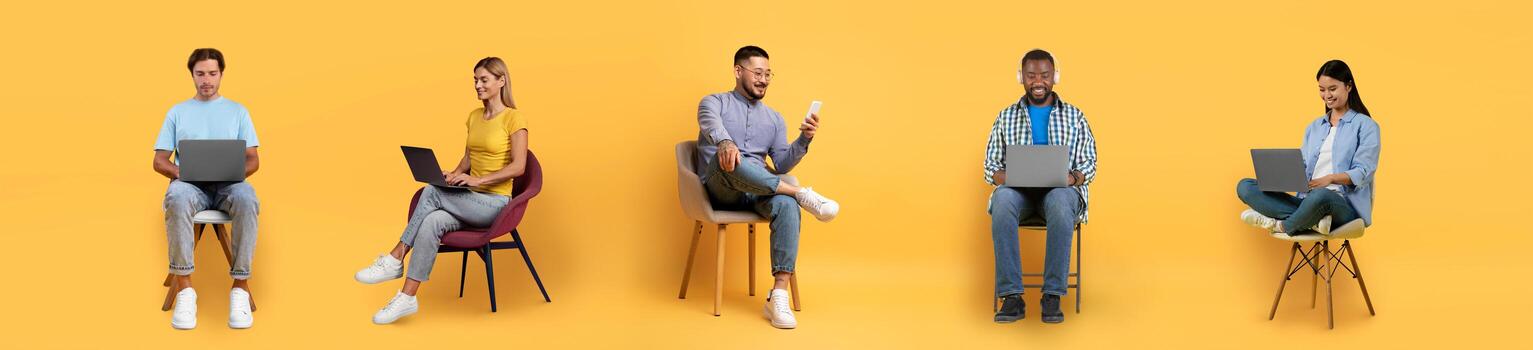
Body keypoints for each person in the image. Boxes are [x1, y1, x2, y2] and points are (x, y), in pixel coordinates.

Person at [354, 57, 530, 325]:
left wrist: (478, 182)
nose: (478, 85)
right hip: (471, 201)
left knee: (432, 192)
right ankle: (407, 297)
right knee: (432, 220)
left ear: (501, 81)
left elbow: (519, 167)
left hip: (495, 204)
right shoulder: (474, 117)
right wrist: (455, 174)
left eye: (484, 80)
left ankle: (395, 257)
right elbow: (469, 158)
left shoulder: (514, 118)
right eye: (475, 80)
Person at [695, 45, 840, 329]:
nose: (764, 80)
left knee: (785, 205)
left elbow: (782, 164)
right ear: (738, 71)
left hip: (758, 190)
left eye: (768, 75)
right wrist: (725, 142)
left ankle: (778, 295)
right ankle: (801, 194)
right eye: (758, 73)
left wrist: (804, 139)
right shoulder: (713, 102)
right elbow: (711, 125)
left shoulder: (774, 118)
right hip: (721, 188)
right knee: (730, 157)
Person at [984, 49, 1097, 325]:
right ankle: (1011, 297)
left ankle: (1052, 296)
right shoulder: (1006, 116)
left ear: (1054, 78)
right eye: (1031, 75)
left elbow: (1090, 162)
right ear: (1021, 77)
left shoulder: (1075, 116)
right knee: (1001, 200)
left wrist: (1072, 179)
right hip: (1019, 194)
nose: (1038, 81)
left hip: (1061, 193)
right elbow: (990, 165)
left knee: (1060, 199)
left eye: (1044, 75)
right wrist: (1009, 178)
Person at [154, 48, 262, 330]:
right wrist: (183, 173)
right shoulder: (177, 112)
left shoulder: (238, 111)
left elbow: (253, 158)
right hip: (191, 186)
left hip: (230, 185)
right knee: (176, 195)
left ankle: (239, 287)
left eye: (212, 73)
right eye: (200, 73)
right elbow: (159, 159)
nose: (206, 80)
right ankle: (186, 290)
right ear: (192, 75)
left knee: (247, 197)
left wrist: (233, 172)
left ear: (221, 74)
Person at [1238, 60, 1380, 235]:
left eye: (1332, 89)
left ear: (1348, 86)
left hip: (1342, 205)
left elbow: (1364, 171)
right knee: (1245, 186)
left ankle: (1280, 225)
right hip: (1307, 201)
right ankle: (1312, 220)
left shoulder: (1366, 126)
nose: (1327, 95)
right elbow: (1303, 165)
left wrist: (1330, 179)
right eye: (1322, 89)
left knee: (1320, 195)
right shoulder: (1314, 127)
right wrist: (1283, 177)